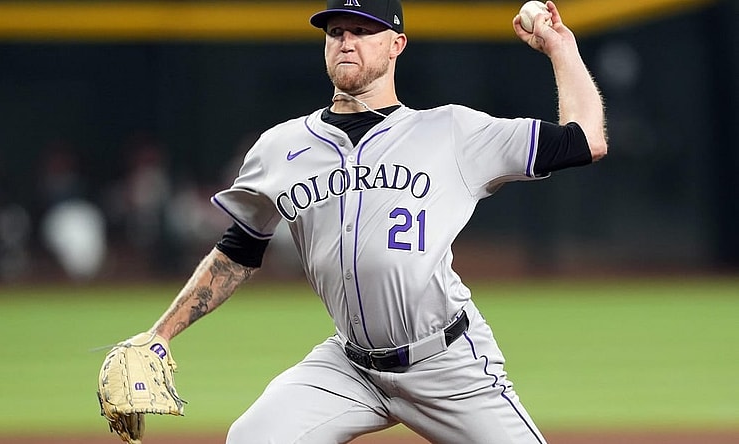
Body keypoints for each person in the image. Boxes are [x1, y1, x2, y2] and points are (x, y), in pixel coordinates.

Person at [142, 1, 607, 443]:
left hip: (445, 360)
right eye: (336, 31)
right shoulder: (278, 148)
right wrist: (159, 334)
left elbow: (585, 140)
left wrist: (560, 48)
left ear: (396, 45)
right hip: (349, 366)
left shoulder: (452, 132)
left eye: (363, 31)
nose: (347, 41)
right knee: (252, 436)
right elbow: (237, 253)